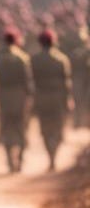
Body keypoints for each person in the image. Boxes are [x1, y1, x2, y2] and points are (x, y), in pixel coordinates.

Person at [30, 30, 72, 172]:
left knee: (45, 129)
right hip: (58, 98)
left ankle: (50, 154)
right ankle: (53, 155)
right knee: (58, 128)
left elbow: (31, 81)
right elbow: (66, 83)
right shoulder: (61, 59)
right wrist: (68, 100)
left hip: (42, 98)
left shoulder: (34, 59)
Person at [0, 29, 33, 173]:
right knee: (21, 128)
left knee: (5, 128)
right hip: (20, 97)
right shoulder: (23, 58)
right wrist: (29, 98)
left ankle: (10, 160)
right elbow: (27, 81)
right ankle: (20, 159)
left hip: (4, 97)